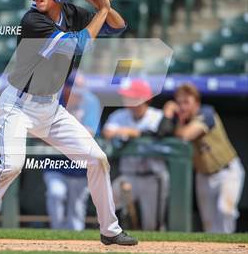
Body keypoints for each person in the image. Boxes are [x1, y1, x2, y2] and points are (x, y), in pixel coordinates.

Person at [0, 0, 137, 246]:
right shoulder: (32, 21)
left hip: (51, 108)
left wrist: (103, 5)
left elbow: (118, 27)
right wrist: (102, 10)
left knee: (97, 159)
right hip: (18, 105)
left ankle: (110, 230)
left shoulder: (73, 13)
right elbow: (80, 44)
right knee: (12, 164)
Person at [163, 83, 245, 233]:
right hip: (203, 176)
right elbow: (161, 132)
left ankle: (228, 250)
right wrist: (168, 114)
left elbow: (186, 135)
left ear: (197, 102)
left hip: (227, 171)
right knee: (208, 223)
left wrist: (178, 121)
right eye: (179, 103)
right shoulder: (180, 122)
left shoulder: (207, 113)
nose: (182, 107)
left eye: (186, 102)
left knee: (225, 211)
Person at [103, 79, 169, 231]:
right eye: (127, 97)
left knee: (152, 226)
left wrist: (130, 132)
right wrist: (127, 132)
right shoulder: (119, 116)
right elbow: (108, 131)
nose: (128, 100)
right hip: (129, 176)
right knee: (110, 200)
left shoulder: (157, 117)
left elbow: (159, 132)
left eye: (133, 97)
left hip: (153, 176)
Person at [43, 73, 100, 231]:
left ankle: (74, 249)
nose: (80, 97)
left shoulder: (90, 101)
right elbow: (41, 133)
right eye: (76, 92)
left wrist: (59, 134)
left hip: (80, 168)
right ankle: (56, 237)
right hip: (55, 163)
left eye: (81, 92)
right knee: (56, 193)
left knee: (76, 214)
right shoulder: (52, 101)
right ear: (66, 89)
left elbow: (90, 134)